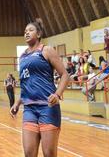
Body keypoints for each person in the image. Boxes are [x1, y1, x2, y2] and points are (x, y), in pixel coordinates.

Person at [10, 19, 68, 157]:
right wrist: (17, 103)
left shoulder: (46, 50)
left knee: (49, 153)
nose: (26, 33)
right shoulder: (22, 57)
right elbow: (25, 83)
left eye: (30, 30)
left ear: (39, 33)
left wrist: (57, 94)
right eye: (25, 31)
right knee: (29, 153)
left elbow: (65, 75)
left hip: (47, 107)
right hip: (29, 109)